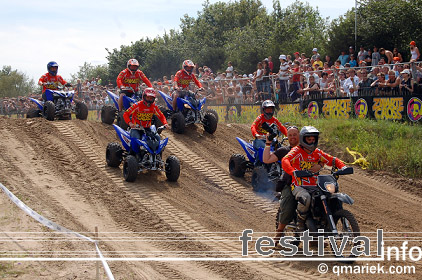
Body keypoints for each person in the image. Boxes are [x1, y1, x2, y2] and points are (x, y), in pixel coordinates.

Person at [282, 126, 346, 232]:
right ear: (303, 139)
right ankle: (300, 221)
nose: (311, 142)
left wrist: (343, 167)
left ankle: (323, 221)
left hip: (316, 185)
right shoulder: (296, 151)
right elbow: (285, 160)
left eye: (313, 139)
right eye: (309, 139)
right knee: (306, 198)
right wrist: (292, 171)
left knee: (330, 197)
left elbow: (332, 160)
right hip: (299, 185)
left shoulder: (317, 152)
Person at [262, 126, 300, 247]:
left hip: (309, 183)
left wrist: (319, 165)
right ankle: (278, 235)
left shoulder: (307, 149)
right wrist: (268, 143)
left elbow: (320, 157)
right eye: (290, 135)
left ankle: (316, 237)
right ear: (287, 137)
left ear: (300, 135)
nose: (293, 137)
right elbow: (266, 159)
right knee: (288, 202)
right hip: (290, 183)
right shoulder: (284, 151)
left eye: (295, 134)